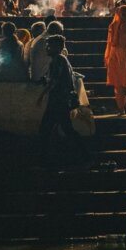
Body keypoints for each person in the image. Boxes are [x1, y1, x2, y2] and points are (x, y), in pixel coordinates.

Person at [38, 35, 86, 166]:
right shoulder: (60, 59)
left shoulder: (58, 60)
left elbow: (55, 80)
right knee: (65, 128)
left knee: (46, 129)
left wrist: (41, 95)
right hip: (61, 99)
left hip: (58, 100)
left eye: (50, 45)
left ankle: (44, 158)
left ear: (58, 47)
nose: (47, 48)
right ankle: (84, 153)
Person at [105, 5, 126, 114]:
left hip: (114, 56)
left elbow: (111, 43)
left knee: (118, 84)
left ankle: (121, 109)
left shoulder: (113, 25)